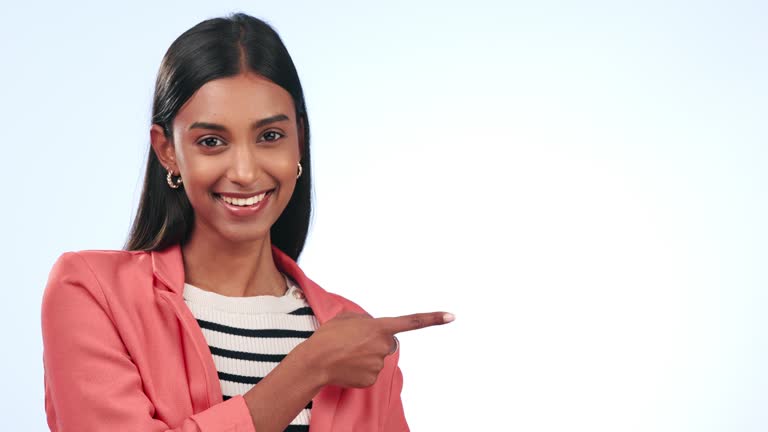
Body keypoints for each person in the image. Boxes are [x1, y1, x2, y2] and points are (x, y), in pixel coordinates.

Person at [40, 12, 454, 432]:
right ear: (167, 151)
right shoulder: (93, 293)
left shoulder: (356, 339)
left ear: (300, 140)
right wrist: (309, 368)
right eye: (211, 141)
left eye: (270, 136)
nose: (244, 171)